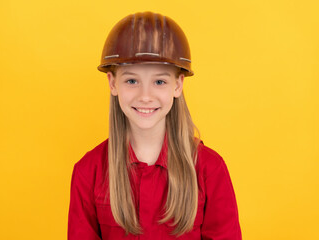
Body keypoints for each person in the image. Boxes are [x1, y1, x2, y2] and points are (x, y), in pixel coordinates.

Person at [68, 12, 242, 240]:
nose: (146, 96)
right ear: (113, 83)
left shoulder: (210, 169)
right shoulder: (88, 172)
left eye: (159, 82)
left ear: (178, 86)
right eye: (132, 81)